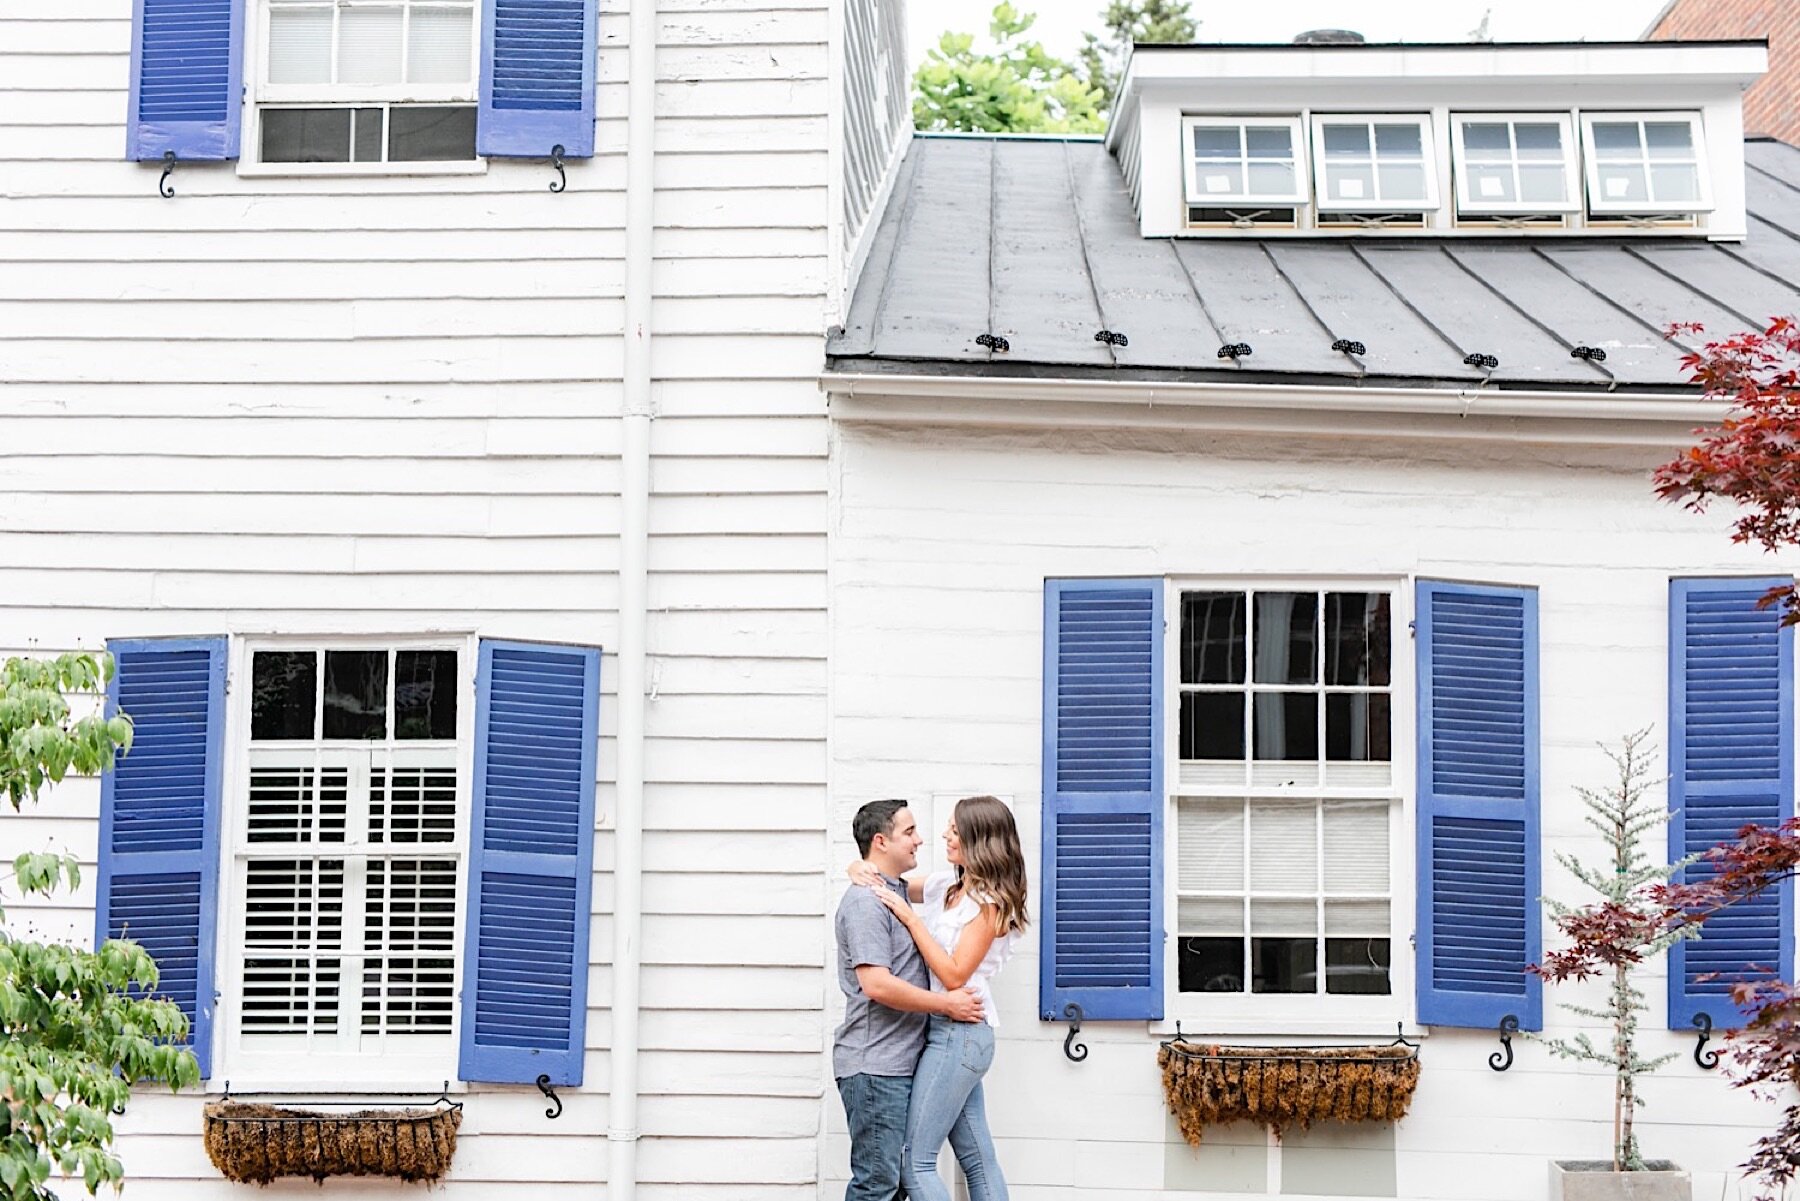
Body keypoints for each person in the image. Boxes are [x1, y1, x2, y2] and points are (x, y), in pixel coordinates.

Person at [851, 796, 1029, 1201]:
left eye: (954, 828)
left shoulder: (990, 907)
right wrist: (857, 866)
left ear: (978, 839)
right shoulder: (945, 889)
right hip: (948, 1034)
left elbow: (953, 974)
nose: (945, 835)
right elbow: (887, 880)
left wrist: (912, 920)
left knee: (916, 1163)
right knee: (978, 1159)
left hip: (960, 1034)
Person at [834, 798, 985, 1201]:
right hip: (875, 1065)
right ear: (881, 842)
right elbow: (877, 986)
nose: (921, 840)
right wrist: (947, 1005)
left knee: (898, 1184)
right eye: (910, 832)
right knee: (876, 1186)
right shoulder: (867, 902)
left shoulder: (892, 890)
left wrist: (855, 865)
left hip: (900, 1063)